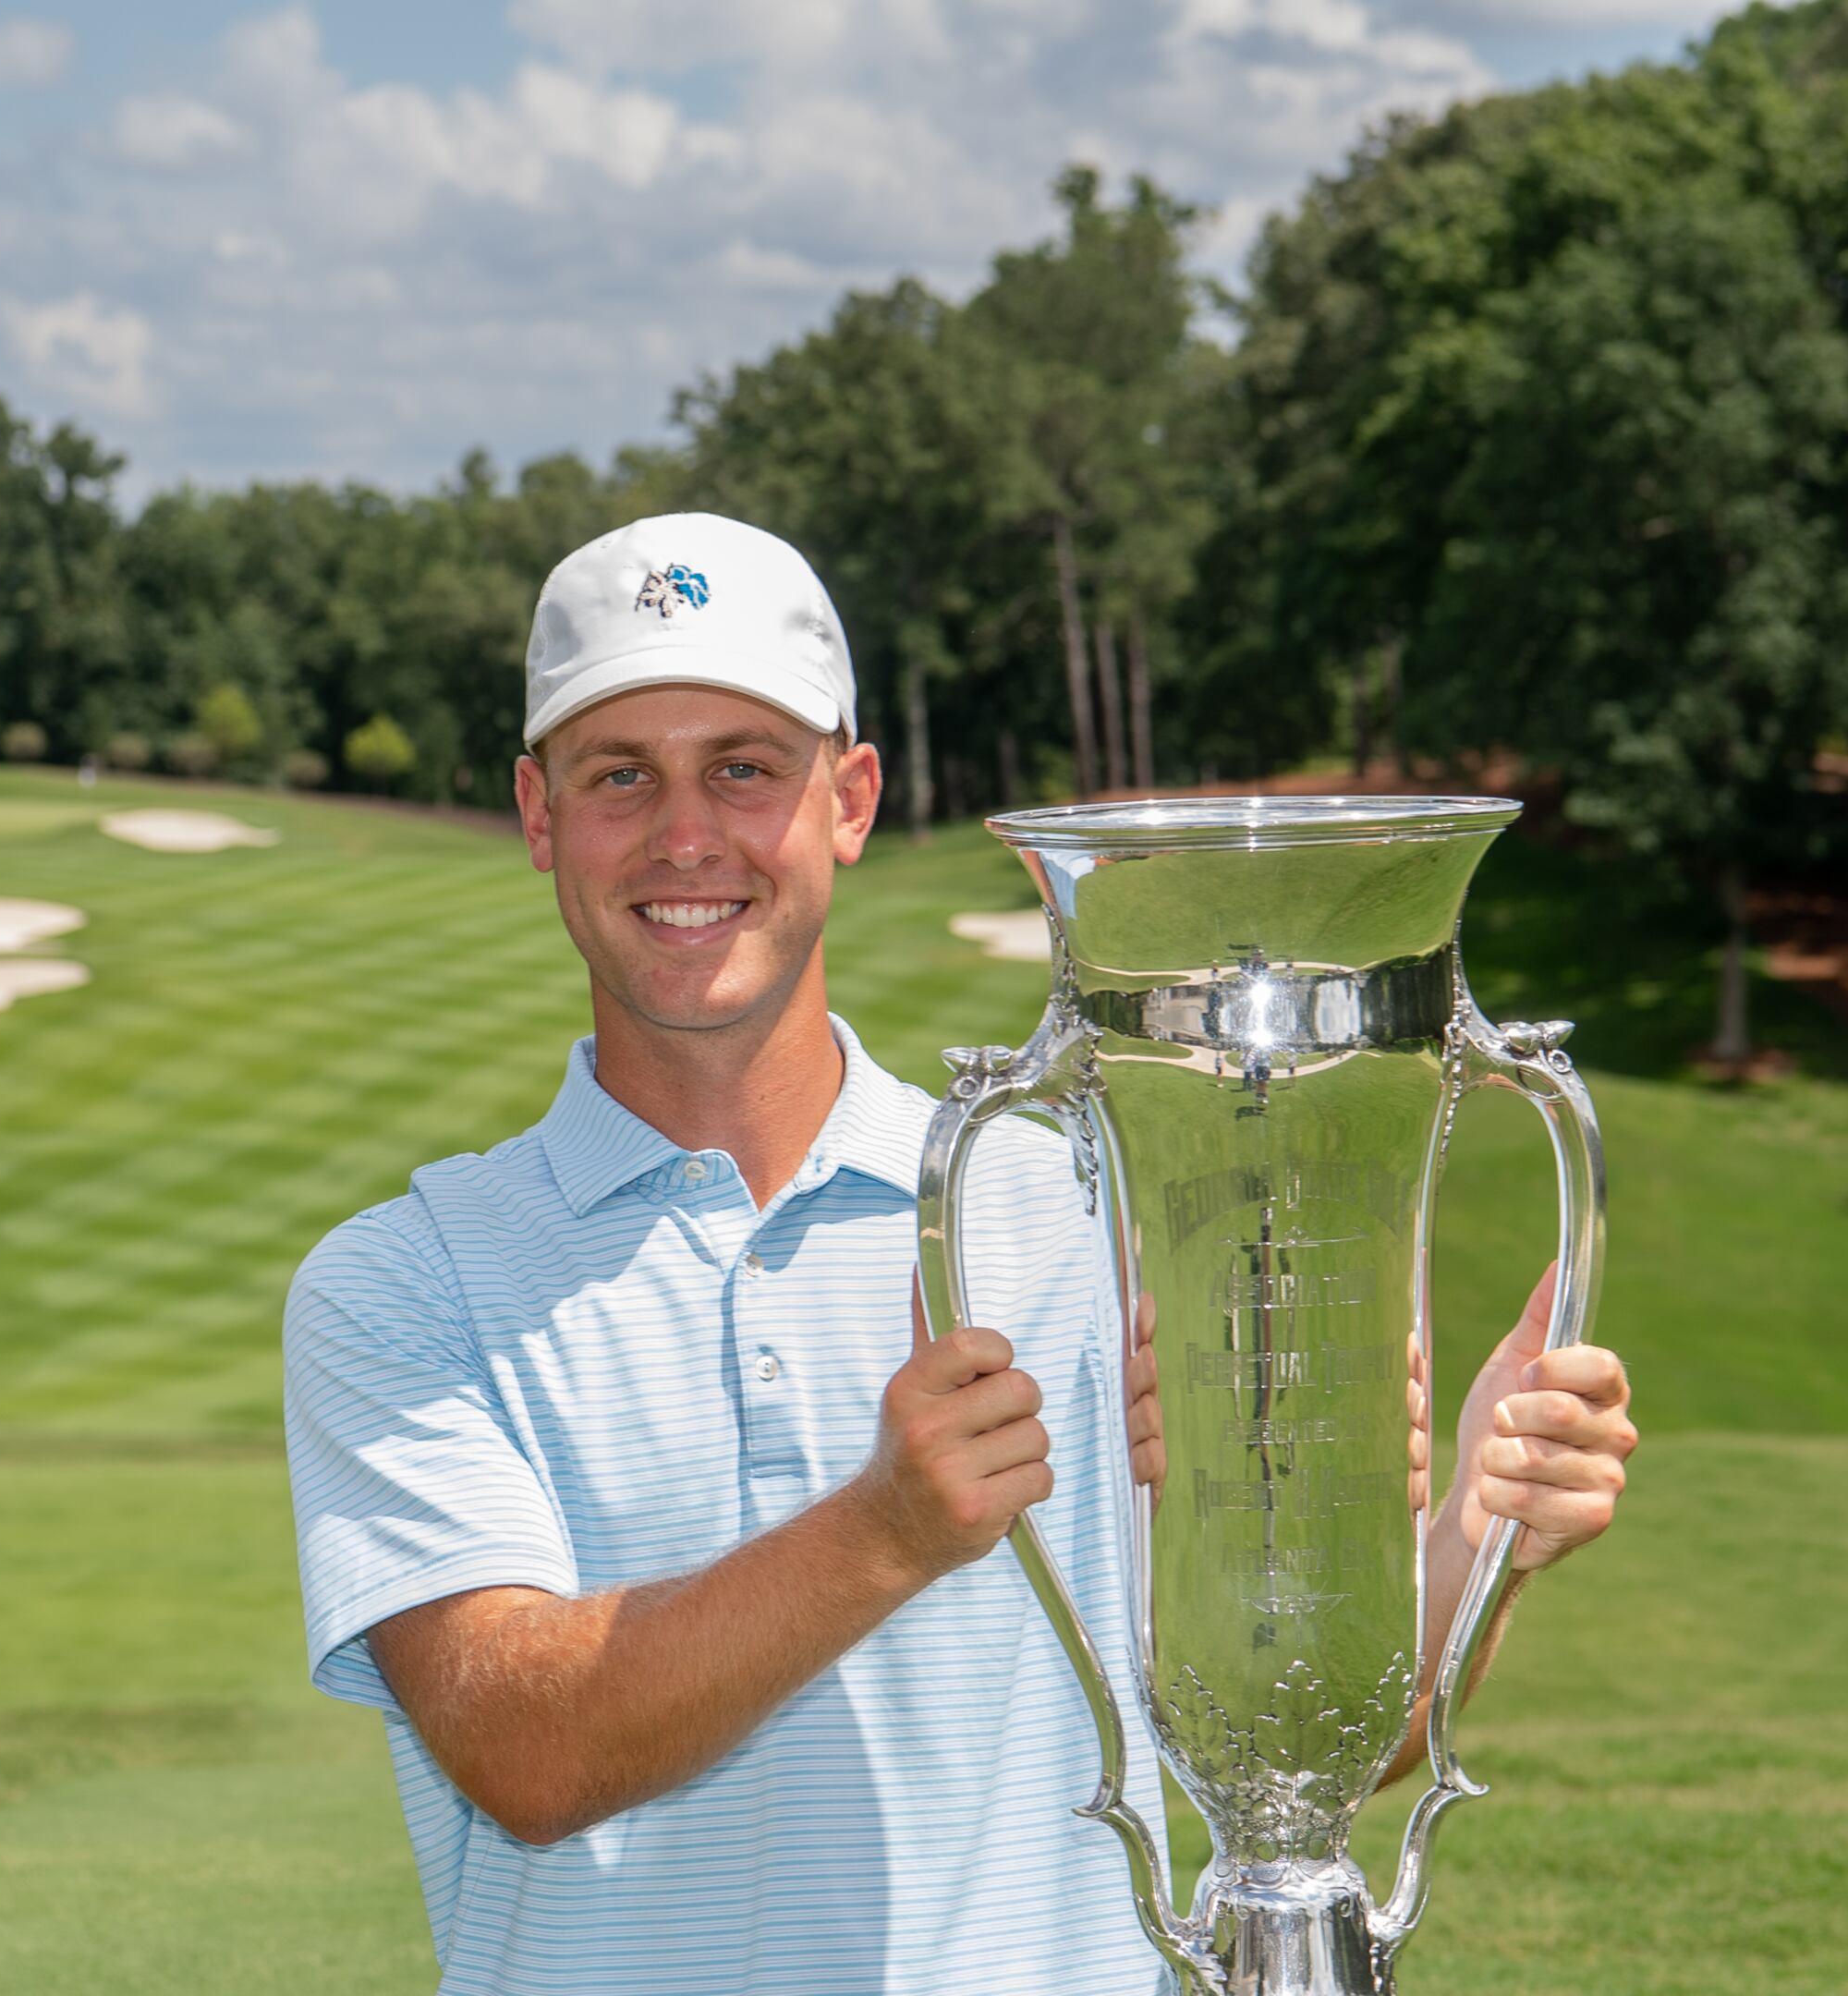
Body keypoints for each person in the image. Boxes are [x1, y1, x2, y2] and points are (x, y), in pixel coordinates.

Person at [283, 514, 1637, 1995]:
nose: (687, 836)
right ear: (540, 816)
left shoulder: (1087, 1199)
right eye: (622, 776)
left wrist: (1481, 1540)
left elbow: (1307, 1746)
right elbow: (525, 1750)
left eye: (746, 766)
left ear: (848, 800)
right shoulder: (406, 1278)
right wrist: (886, 1528)